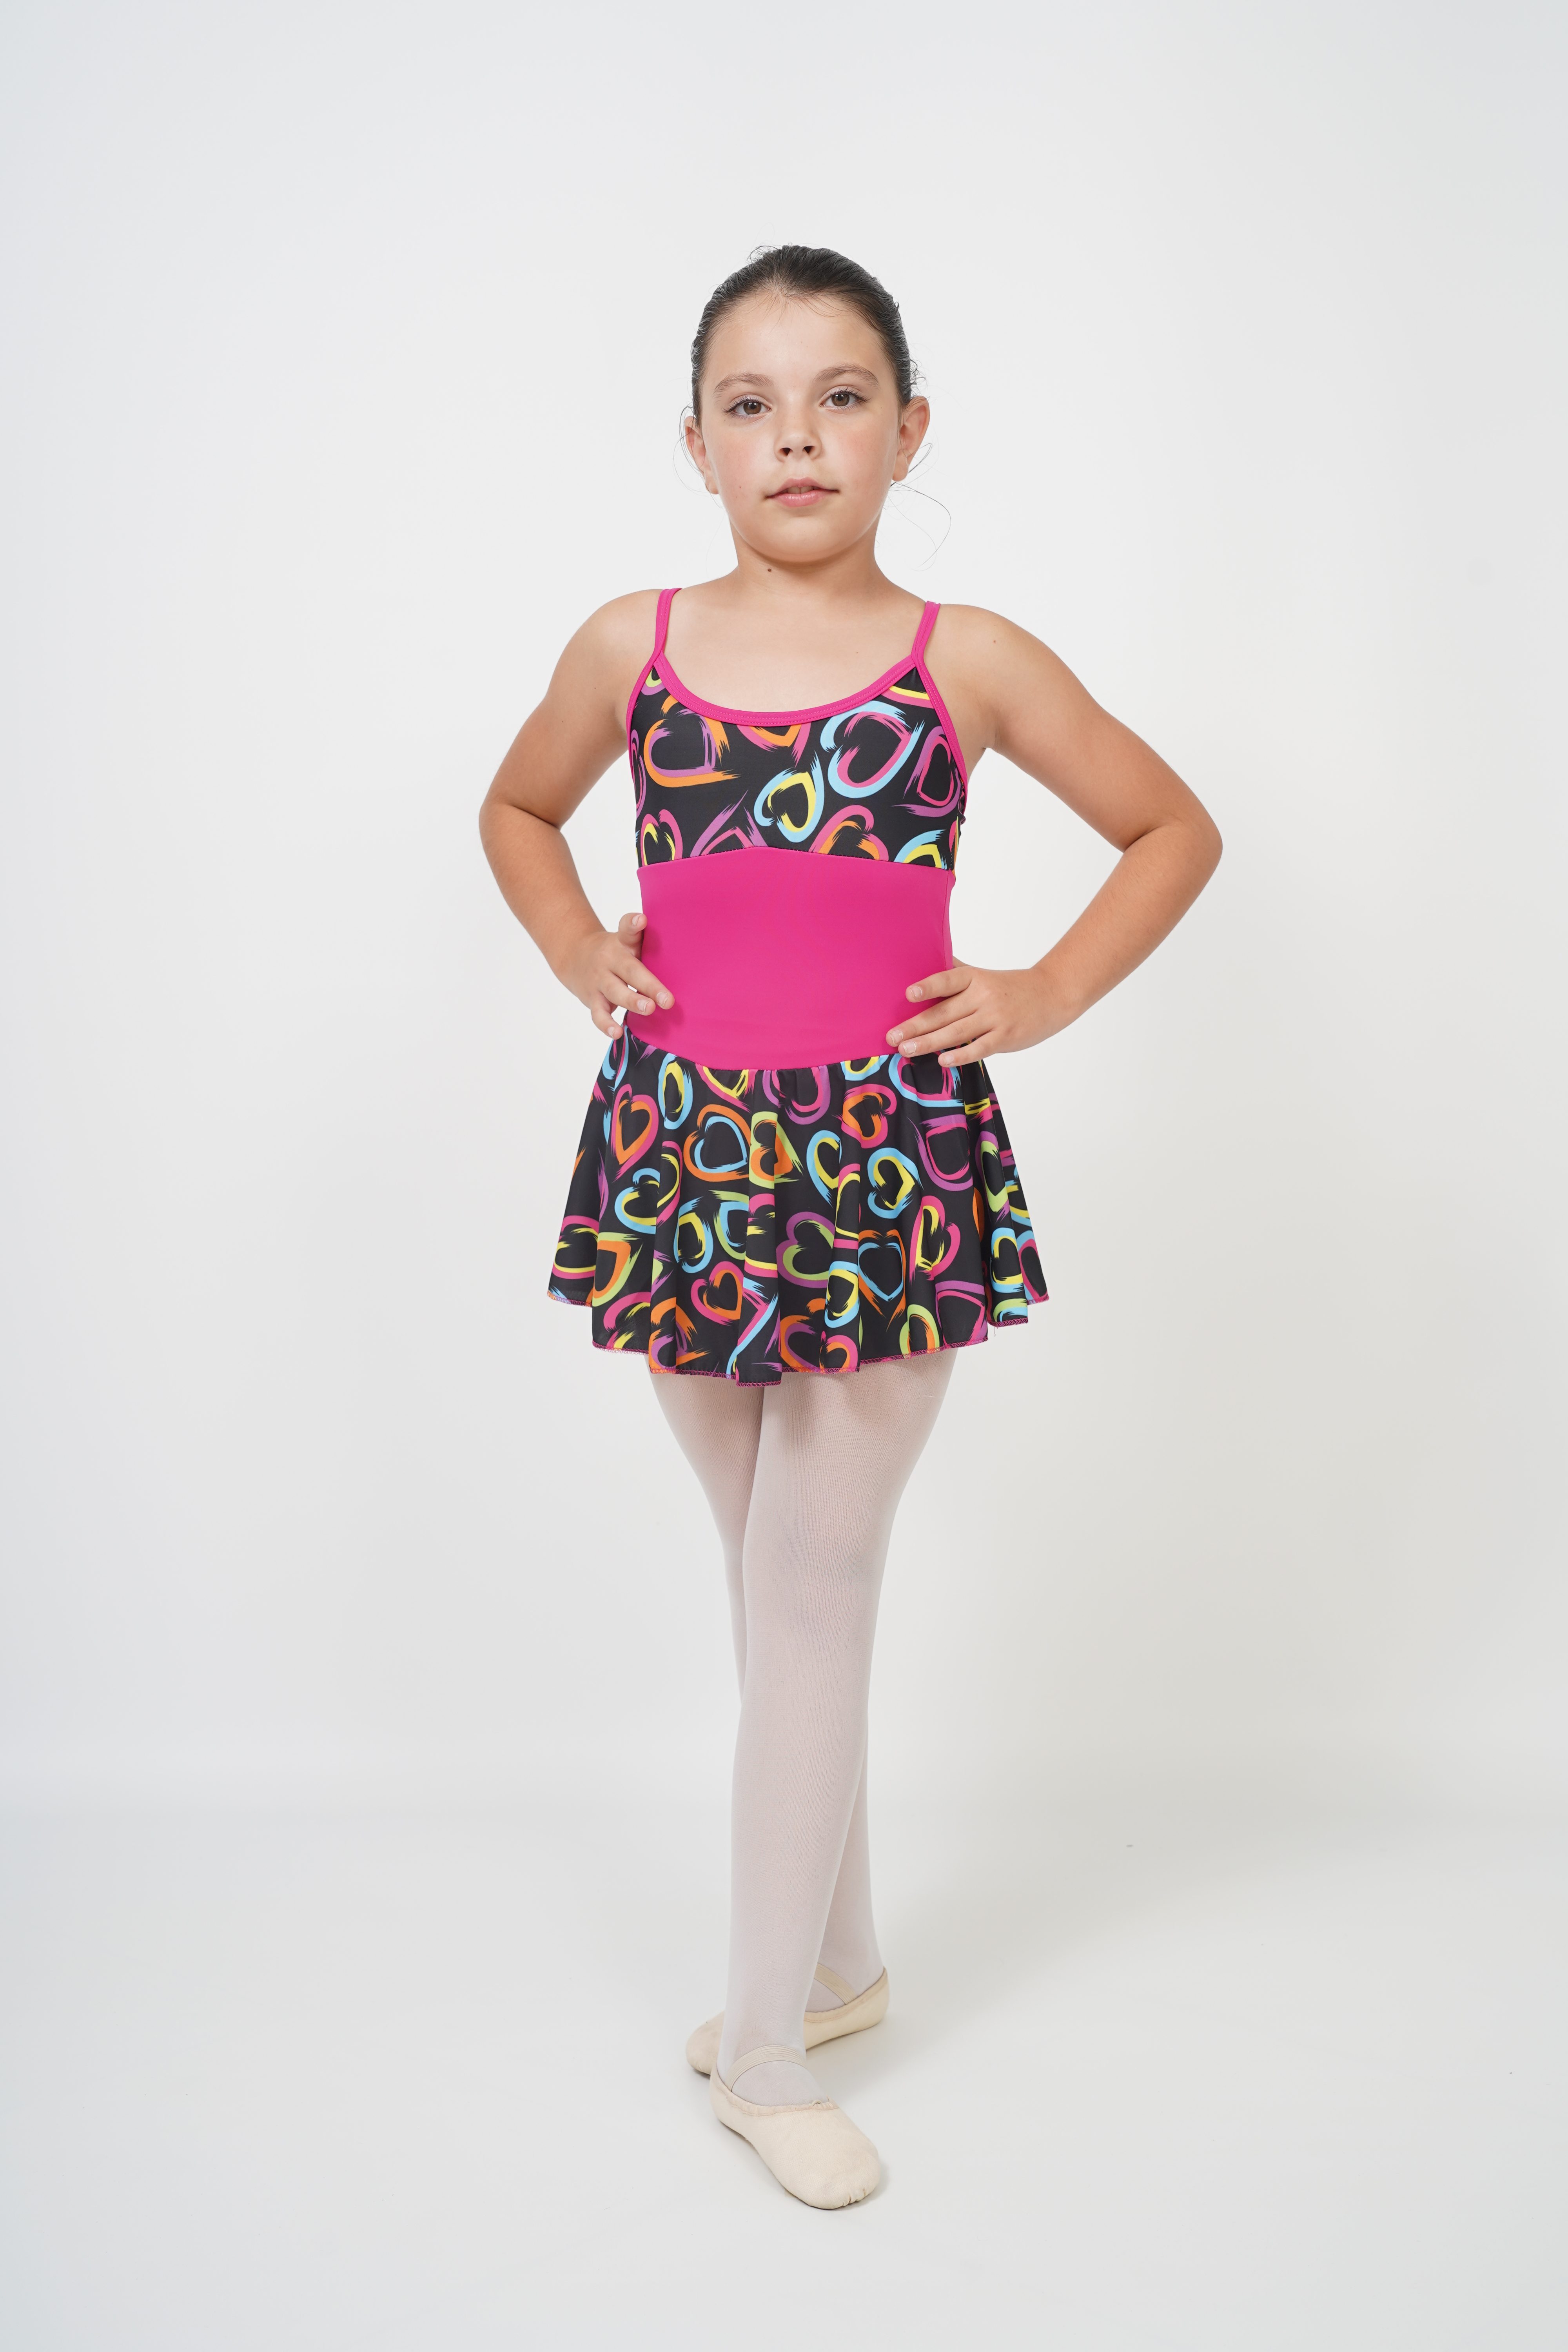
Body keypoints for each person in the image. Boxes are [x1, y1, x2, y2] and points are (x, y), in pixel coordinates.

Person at [478, 245, 1221, 2208]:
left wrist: (1040, 994)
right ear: (697, 443)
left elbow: (1172, 828)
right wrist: (573, 950)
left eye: (837, 397)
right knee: (768, 1575)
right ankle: (839, 1959)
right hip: (685, 1157)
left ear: (907, 429)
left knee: (814, 1578)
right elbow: (517, 812)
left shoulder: (963, 659)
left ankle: (759, 2049)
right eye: (751, 402)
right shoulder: (629, 647)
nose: (794, 435)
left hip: (888, 1158)